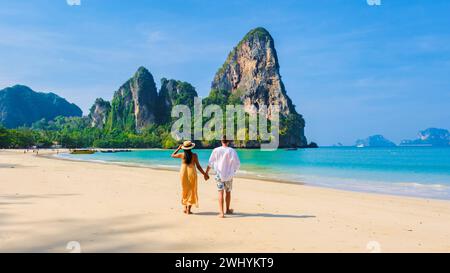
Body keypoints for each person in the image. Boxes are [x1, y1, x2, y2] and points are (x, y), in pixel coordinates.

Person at [206, 136, 240, 218]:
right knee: (228, 192)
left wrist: (206, 173)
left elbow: (210, 162)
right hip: (229, 175)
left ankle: (221, 213)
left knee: (220, 192)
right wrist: (233, 171)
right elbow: (237, 163)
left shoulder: (216, 150)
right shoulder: (231, 150)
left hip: (219, 175)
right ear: (228, 142)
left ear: (221, 141)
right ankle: (227, 209)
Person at [171, 141, 209, 214]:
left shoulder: (182, 155)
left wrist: (178, 148)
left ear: (184, 148)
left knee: (184, 189)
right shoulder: (194, 155)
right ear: (191, 147)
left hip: (183, 171)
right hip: (192, 171)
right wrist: (204, 174)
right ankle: (188, 209)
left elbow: (172, 155)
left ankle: (185, 208)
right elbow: (198, 166)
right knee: (192, 189)